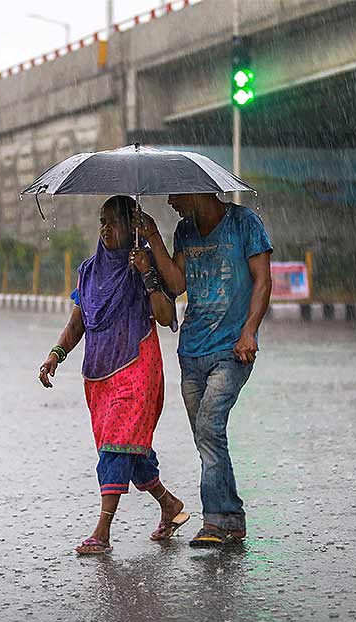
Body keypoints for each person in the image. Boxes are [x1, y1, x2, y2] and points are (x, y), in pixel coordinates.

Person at [38, 195, 190, 556]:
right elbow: (78, 323)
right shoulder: (89, 272)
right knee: (130, 450)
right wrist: (55, 354)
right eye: (102, 221)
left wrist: (147, 276)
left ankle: (102, 532)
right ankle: (168, 505)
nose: (107, 228)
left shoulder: (142, 265)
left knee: (116, 446)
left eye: (115, 222)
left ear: (131, 228)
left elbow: (167, 316)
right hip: (100, 374)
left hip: (137, 366)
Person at [133, 193, 272, 549]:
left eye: (176, 194)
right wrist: (153, 237)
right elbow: (178, 283)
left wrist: (249, 331)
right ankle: (232, 518)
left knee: (209, 430)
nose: (170, 201)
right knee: (207, 439)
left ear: (196, 191)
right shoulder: (185, 229)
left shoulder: (245, 224)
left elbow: (262, 281)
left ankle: (214, 520)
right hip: (191, 352)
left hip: (231, 351)